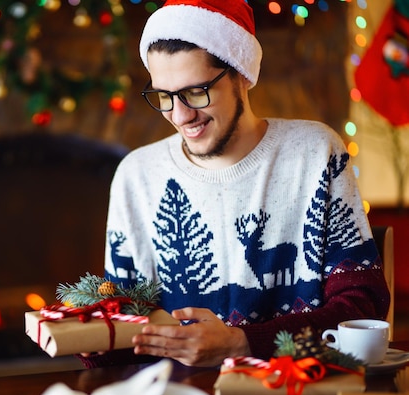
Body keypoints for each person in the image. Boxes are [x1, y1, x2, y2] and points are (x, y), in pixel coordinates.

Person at [78, 0, 390, 369]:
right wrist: (94, 339)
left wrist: (242, 343)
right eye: (164, 96)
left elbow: (362, 306)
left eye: (196, 92)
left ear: (241, 74)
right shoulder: (136, 175)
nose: (180, 115)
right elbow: (124, 320)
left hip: (292, 393)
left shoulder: (315, 153)